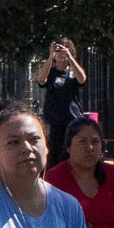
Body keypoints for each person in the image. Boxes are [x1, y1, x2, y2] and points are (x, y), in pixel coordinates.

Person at [38, 37, 86, 168]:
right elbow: (41, 80)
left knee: (72, 153)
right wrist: (50, 57)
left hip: (72, 120)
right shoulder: (51, 72)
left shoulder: (73, 72)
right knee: (54, 155)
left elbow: (82, 79)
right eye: (58, 50)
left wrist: (70, 57)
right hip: (54, 122)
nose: (60, 54)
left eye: (63, 50)